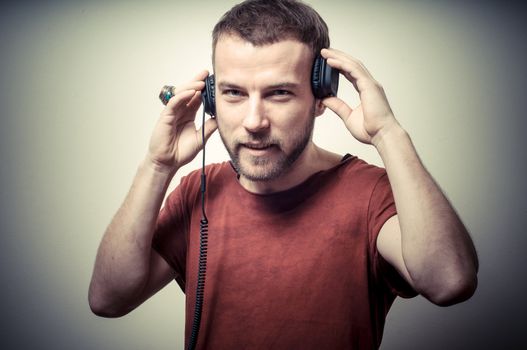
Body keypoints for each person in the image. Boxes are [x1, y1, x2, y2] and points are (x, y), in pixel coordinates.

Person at [88, 0, 479, 349]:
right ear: (210, 98)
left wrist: (389, 134)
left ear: (321, 95)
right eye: (234, 93)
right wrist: (158, 166)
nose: (254, 122)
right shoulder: (198, 192)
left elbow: (450, 282)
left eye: (279, 93)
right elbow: (108, 299)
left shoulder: (370, 192)